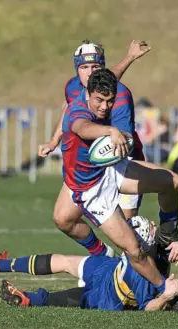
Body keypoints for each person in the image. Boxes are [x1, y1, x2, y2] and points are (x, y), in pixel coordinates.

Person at [55, 67, 178, 292]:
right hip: (92, 192)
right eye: (99, 100)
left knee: (173, 182)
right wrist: (110, 131)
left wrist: (129, 58)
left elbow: (111, 78)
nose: (104, 106)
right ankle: (164, 289)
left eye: (109, 101)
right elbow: (83, 128)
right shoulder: (76, 112)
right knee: (134, 250)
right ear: (87, 94)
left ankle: (169, 232)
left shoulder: (99, 92)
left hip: (110, 169)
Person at [38, 40, 151, 260]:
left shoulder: (120, 97)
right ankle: (104, 257)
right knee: (63, 219)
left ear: (104, 70)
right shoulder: (73, 88)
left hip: (122, 165)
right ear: (76, 69)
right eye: (84, 67)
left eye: (95, 68)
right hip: (91, 169)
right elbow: (70, 108)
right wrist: (54, 141)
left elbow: (122, 144)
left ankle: (152, 277)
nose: (89, 73)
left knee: (130, 238)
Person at [0, 219, 178, 311]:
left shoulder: (149, 251)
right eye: (152, 226)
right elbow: (148, 308)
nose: (155, 225)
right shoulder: (141, 272)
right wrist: (167, 295)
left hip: (108, 269)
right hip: (109, 294)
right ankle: (30, 299)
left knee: (65, 262)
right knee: (70, 297)